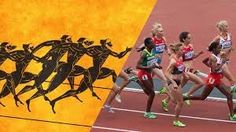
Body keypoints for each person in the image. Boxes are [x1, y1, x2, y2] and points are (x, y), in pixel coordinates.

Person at [184, 41, 236, 121]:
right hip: (213, 79)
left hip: (216, 78)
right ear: (214, 49)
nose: (220, 49)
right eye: (219, 48)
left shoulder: (215, 55)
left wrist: (211, 65)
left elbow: (204, 61)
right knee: (202, 97)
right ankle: (185, 97)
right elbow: (215, 70)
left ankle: (232, 114)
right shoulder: (213, 57)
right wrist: (222, 62)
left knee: (229, 95)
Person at [137, 23, 171, 112]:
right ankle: (168, 94)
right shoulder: (152, 40)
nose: (163, 32)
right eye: (161, 31)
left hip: (157, 63)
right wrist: (139, 48)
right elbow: (143, 46)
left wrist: (169, 52)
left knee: (149, 82)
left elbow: (166, 47)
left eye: (163, 30)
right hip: (153, 63)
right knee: (163, 78)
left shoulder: (163, 39)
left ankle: (136, 78)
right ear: (156, 32)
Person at [136, 37, 162, 119]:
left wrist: (157, 66)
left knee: (150, 92)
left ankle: (137, 81)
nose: (154, 44)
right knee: (152, 93)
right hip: (143, 74)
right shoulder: (144, 53)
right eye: (152, 43)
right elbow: (137, 66)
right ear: (147, 45)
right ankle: (147, 112)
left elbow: (152, 62)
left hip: (148, 74)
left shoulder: (152, 51)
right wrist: (150, 67)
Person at [165, 43, 187, 127]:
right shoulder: (173, 61)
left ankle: (166, 91)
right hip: (173, 82)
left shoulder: (180, 58)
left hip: (178, 82)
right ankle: (176, 121)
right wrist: (173, 83)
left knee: (175, 101)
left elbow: (180, 68)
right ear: (177, 51)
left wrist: (184, 74)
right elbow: (166, 73)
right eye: (181, 50)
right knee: (180, 102)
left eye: (183, 50)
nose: (183, 51)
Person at [212, 20, 236, 92]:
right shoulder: (218, 38)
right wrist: (220, 52)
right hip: (221, 61)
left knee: (217, 78)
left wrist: (230, 48)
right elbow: (209, 47)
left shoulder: (229, 35)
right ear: (222, 28)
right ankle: (231, 95)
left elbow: (228, 45)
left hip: (226, 60)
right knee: (232, 79)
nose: (228, 27)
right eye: (226, 26)